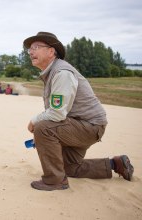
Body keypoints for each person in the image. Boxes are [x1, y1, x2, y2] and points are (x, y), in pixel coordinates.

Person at [23, 31, 134, 191]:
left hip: (89, 126)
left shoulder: (62, 73)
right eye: (29, 49)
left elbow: (56, 114)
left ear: (51, 51)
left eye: (36, 47)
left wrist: (34, 122)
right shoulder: (52, 72)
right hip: (82, 125)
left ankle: (55, 181)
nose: (31, 51)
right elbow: (59, 113)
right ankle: (115, 164)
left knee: (43, 127)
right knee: (70, 168)